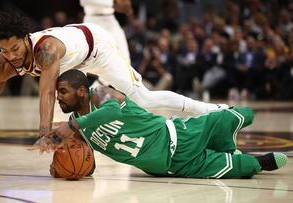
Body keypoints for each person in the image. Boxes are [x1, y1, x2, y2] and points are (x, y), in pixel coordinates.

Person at [0, 10, 226, 175]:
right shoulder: (2, 64)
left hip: (97, 49)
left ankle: (214, 110)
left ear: (26, 40)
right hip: (75, 55)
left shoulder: (46, 50)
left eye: (15, 48)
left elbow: (47, 92)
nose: (10, 55)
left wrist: (44, 132)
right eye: (4, 50)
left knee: (145, 100)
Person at [35, 69, 288, 178]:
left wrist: (72, 127)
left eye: (64, 91)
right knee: (243, 168)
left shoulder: (101, 94)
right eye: (58, 93)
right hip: (170, 167)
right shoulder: (77, 125)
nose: (59, 97)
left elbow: (112, 113)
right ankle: (259, 160)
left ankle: (228, 141)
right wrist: (61, 168)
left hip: (179, 136)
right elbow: (84, 166)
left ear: (81, 91)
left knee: (239, 115)